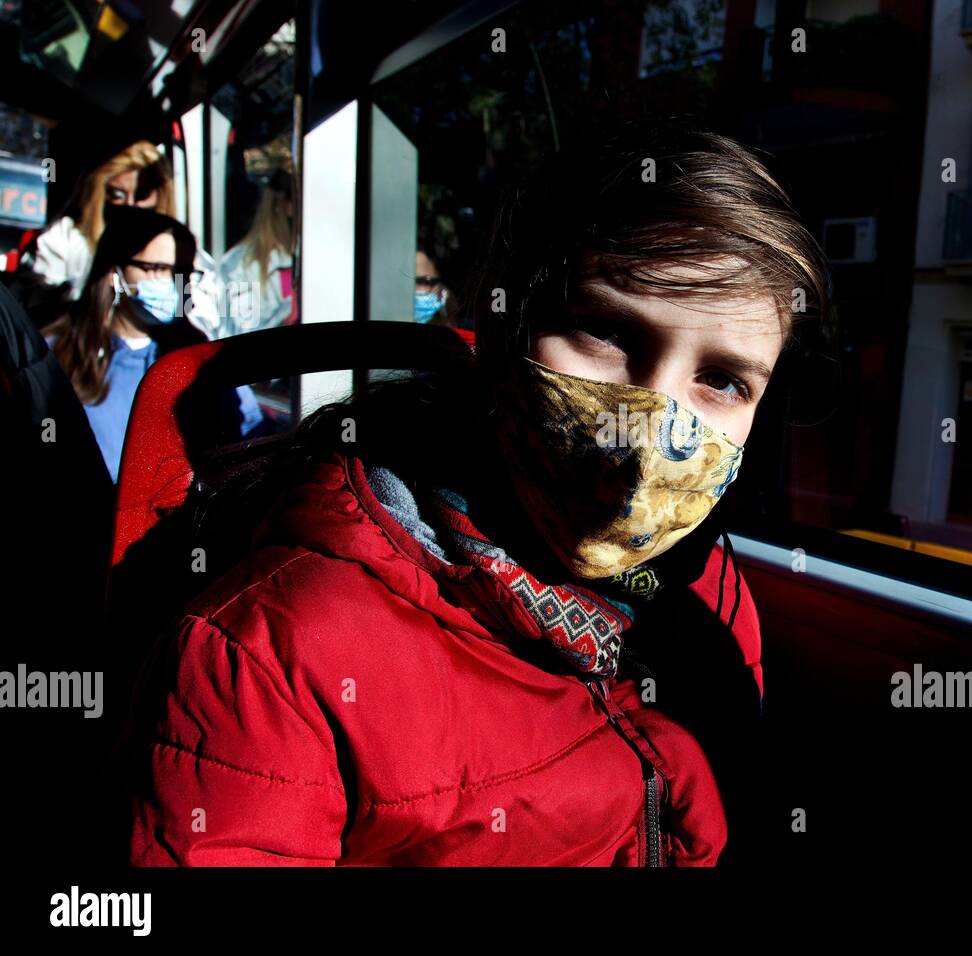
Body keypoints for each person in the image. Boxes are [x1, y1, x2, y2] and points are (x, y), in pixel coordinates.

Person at [125, 118, 829, 866]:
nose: (650, 432)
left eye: (721, 379)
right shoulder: (271, 654)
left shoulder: (708, 600)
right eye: (608, 334)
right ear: (501, 335)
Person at [42, 205, 263, 484]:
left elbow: (250, 436)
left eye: (181, 272)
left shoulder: (202, 357)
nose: (171, 283)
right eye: (157, 269)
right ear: (115, 273)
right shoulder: (58, 353)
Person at [16, 140, 224, 338]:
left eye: (143, 194)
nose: (131, 205)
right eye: (117, 194)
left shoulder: (184, 252)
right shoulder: (64, 240)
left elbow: (210, 317)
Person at [219, 168, 297, 336]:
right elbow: (240, 331)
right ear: (288, 206)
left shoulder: (309, 256)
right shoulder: (242, 263)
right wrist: (291, 310)